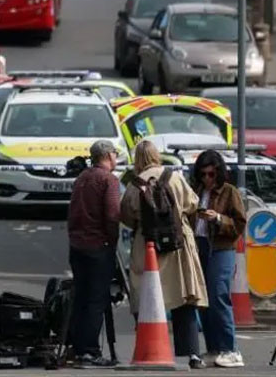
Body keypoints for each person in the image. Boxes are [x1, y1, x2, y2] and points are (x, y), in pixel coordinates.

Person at [120, 140, 208, 369]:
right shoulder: (174, 177)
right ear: (156, 155)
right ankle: (191, 354)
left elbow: (127, 216)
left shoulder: (134, 184)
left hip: (147, 245)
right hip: (177, 244)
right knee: (184, 299)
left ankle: (148, 350)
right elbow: (192, 204)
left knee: (146, 299)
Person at [66, 141, 121, 367]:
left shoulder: (82, 178)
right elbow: (111, 215)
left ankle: (78, 348)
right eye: (115, 154)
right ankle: (90, 350)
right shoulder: (109, 180)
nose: (116, 158)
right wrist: (113, 241)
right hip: (98, 246)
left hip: (77, 245)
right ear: (108, 155)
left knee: (81, 297)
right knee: (96, 300)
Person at [191, 150, 246, 368]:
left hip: (222, 248)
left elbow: (240, 224)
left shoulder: (229, 192)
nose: (207, 179)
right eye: (203, 174)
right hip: (200, 245)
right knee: (203, 299)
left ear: (219, 172)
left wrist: (219, 219)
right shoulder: (197, 190)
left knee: (218, 295)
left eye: (211, 174)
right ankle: (214, 348)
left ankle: (230, 349)